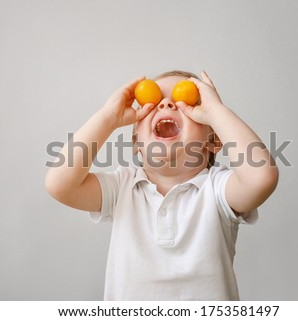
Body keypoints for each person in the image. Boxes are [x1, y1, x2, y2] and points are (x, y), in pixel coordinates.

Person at [45, 70, 279, 300]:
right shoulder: (122, 187)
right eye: (154, 99)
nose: (166, 104)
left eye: (184, 101)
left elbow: (261, 177)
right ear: (136, 142)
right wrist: (107, 118)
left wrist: (216, 111)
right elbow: (60, 184)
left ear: (214, 141)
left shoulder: (217, 190)